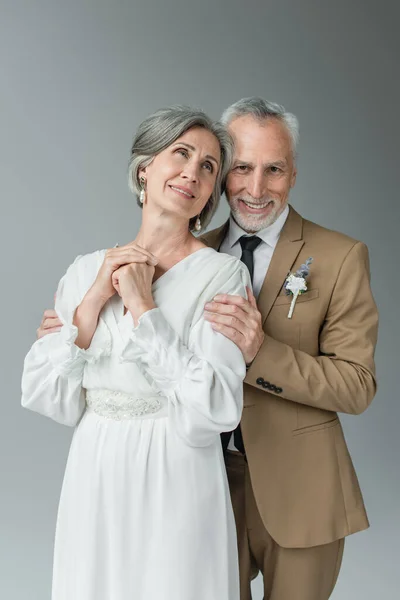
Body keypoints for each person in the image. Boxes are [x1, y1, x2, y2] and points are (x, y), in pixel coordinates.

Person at [22, 105, 252, 600]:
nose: (193, 172)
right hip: (94, 466)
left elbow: (213, 406)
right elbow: (46, 395)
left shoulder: (223, 276)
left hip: (178, 467)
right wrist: (90, 305)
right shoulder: (85, 270)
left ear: (211, 193)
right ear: (145, 167)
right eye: (181, 154)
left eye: (209, 167)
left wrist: (145, 310)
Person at [199, 97, 379, 600]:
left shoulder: (341, 256)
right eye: (242, 168)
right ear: (219, 173)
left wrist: (261, 352)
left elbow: (357, 385)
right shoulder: (192, 253)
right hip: (202, 484)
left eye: (273, 169)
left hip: (305, 490)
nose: (257, 190)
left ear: (293, 173)